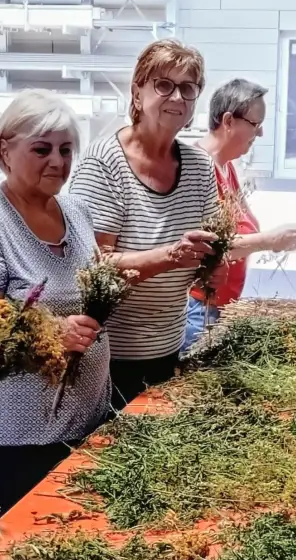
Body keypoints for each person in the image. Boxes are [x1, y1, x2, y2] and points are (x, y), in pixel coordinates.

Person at [0, 91, 109, 522]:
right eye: (42, 149)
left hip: (81, 422)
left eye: (65, 149)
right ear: (6, 149)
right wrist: (50, 333)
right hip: (11, 436)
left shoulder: (76, 210)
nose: (57, 161)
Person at [68, 39, 220, 405]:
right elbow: (92, 267)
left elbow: (212, 251)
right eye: (164, 85)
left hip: (170, 343)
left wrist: (215, 261)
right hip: (109, 355)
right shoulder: (104, 163)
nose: (178, 97)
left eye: (188, 88)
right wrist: (171, 255)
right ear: (137, 93)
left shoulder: (199, 167)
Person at [181, 78, 296, 351]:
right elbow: (211, 248)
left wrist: (275, 240)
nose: (259, 133)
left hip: (217, 304)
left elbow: (244, 230)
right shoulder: (199, 169)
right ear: (228, 121)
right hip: (197, 307)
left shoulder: (228, 168)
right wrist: (269, 240)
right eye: (255, 124)